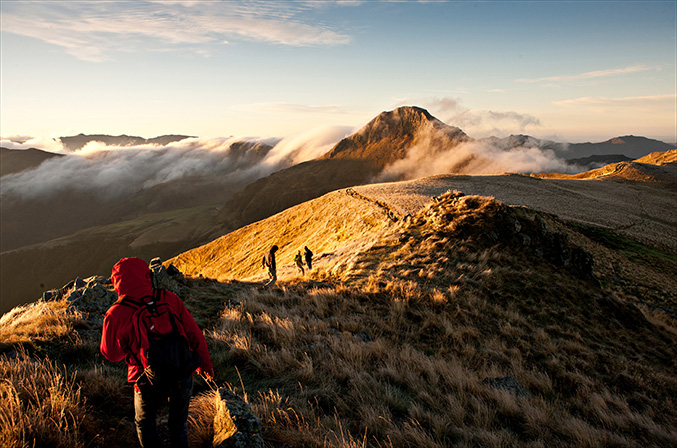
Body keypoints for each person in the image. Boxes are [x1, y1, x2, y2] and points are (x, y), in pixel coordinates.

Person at [101, 257, 214, 448]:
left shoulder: (116, 313)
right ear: (147, 275)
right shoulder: (168, 298)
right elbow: (194, 333)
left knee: (145, 424)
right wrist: (205, 365)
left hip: (146, 378)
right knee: (178, 424)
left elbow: (111, 354)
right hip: (182, 370)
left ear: (117, 282)